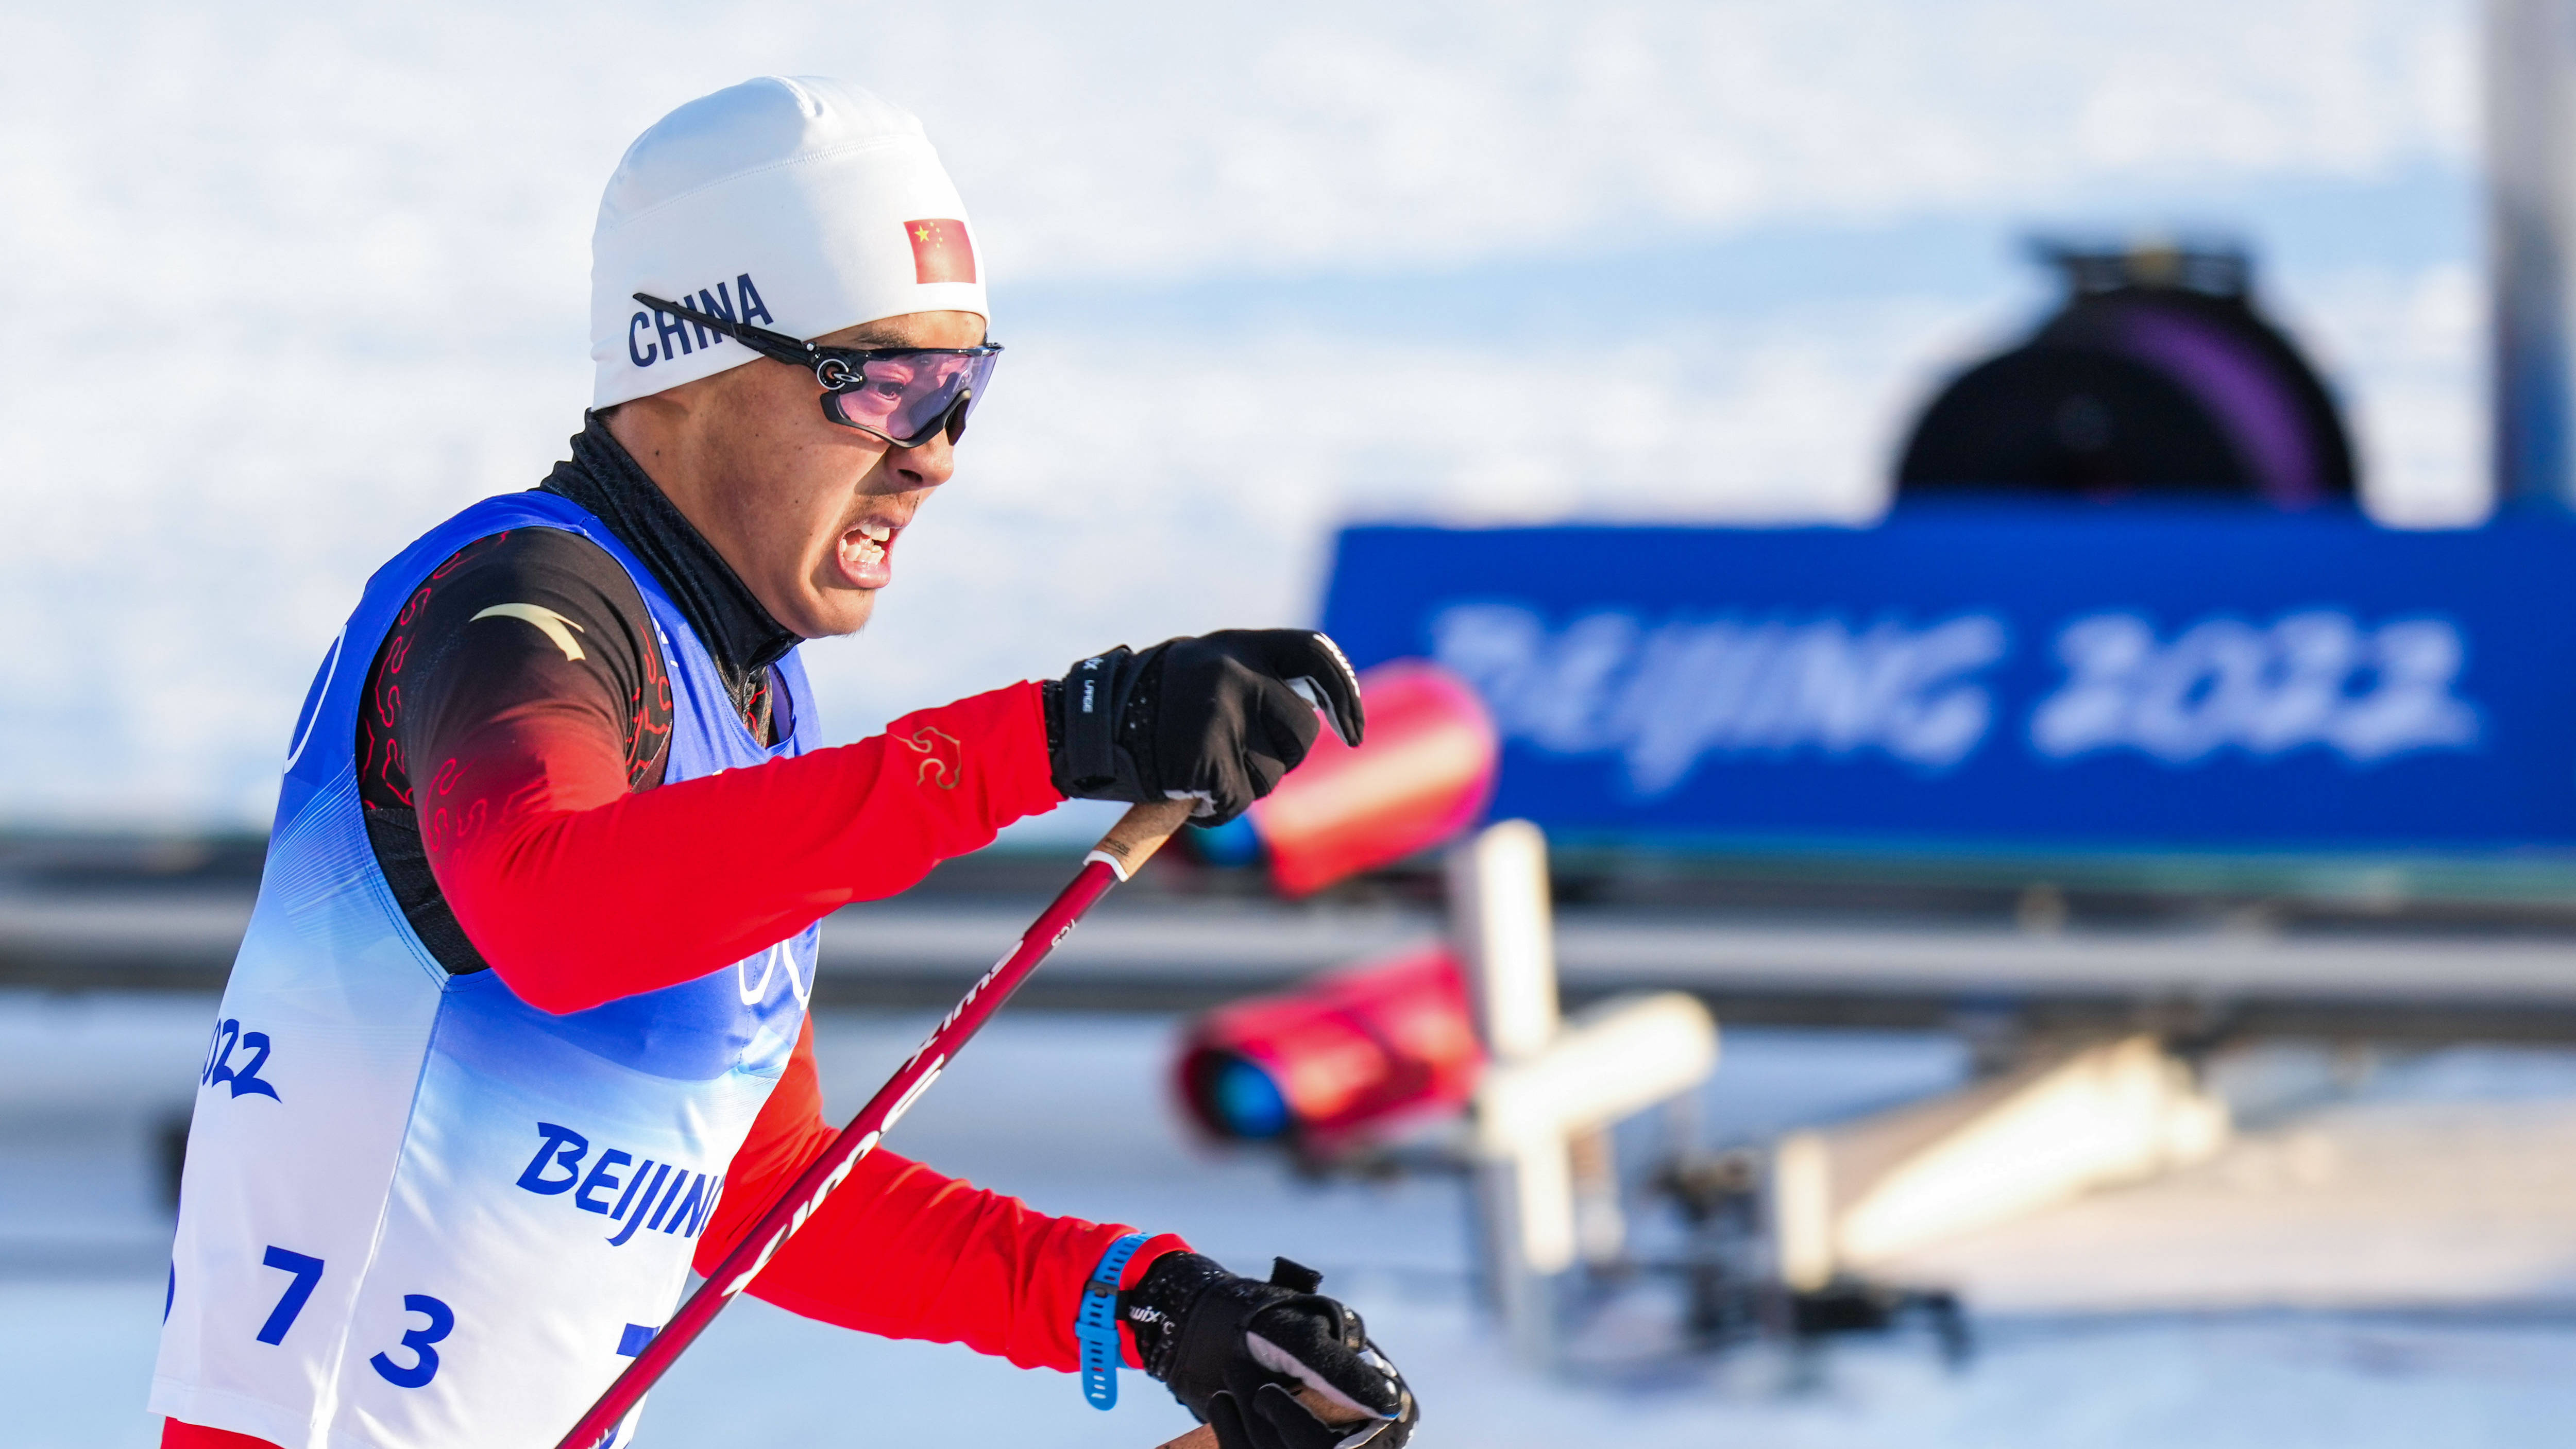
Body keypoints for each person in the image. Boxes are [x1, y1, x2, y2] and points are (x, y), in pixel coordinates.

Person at [151, 75, 1416, 1449]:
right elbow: (553, 909)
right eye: (885, 384)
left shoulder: (759, 700)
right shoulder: (521, 609)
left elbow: (760, 1190)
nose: (934, 456)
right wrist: (1051, 742)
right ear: (679, 364)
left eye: (965, 391)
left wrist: (1149, 1304)